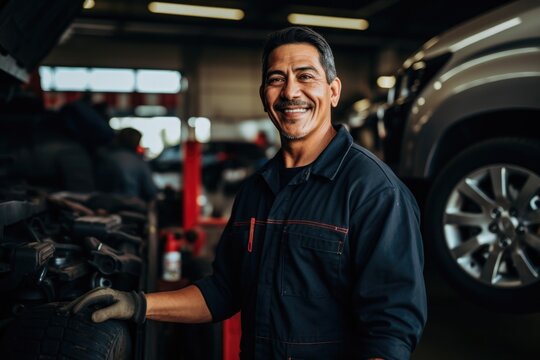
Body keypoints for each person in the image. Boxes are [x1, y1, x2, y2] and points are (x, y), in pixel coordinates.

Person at [64, 26, 427, 359]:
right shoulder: (257, 189)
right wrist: (138, 304)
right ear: (263, 95)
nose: (290, 92)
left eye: (305, 77)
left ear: (333, 91)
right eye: (276, 79)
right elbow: (225, 290)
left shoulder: (374, 191)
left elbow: (390, 332)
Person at [95, 127, 158, 202]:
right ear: (136, 143)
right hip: (129, 205)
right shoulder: (138, 161)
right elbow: (151, 191)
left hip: (104, 203)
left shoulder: (105, 158)